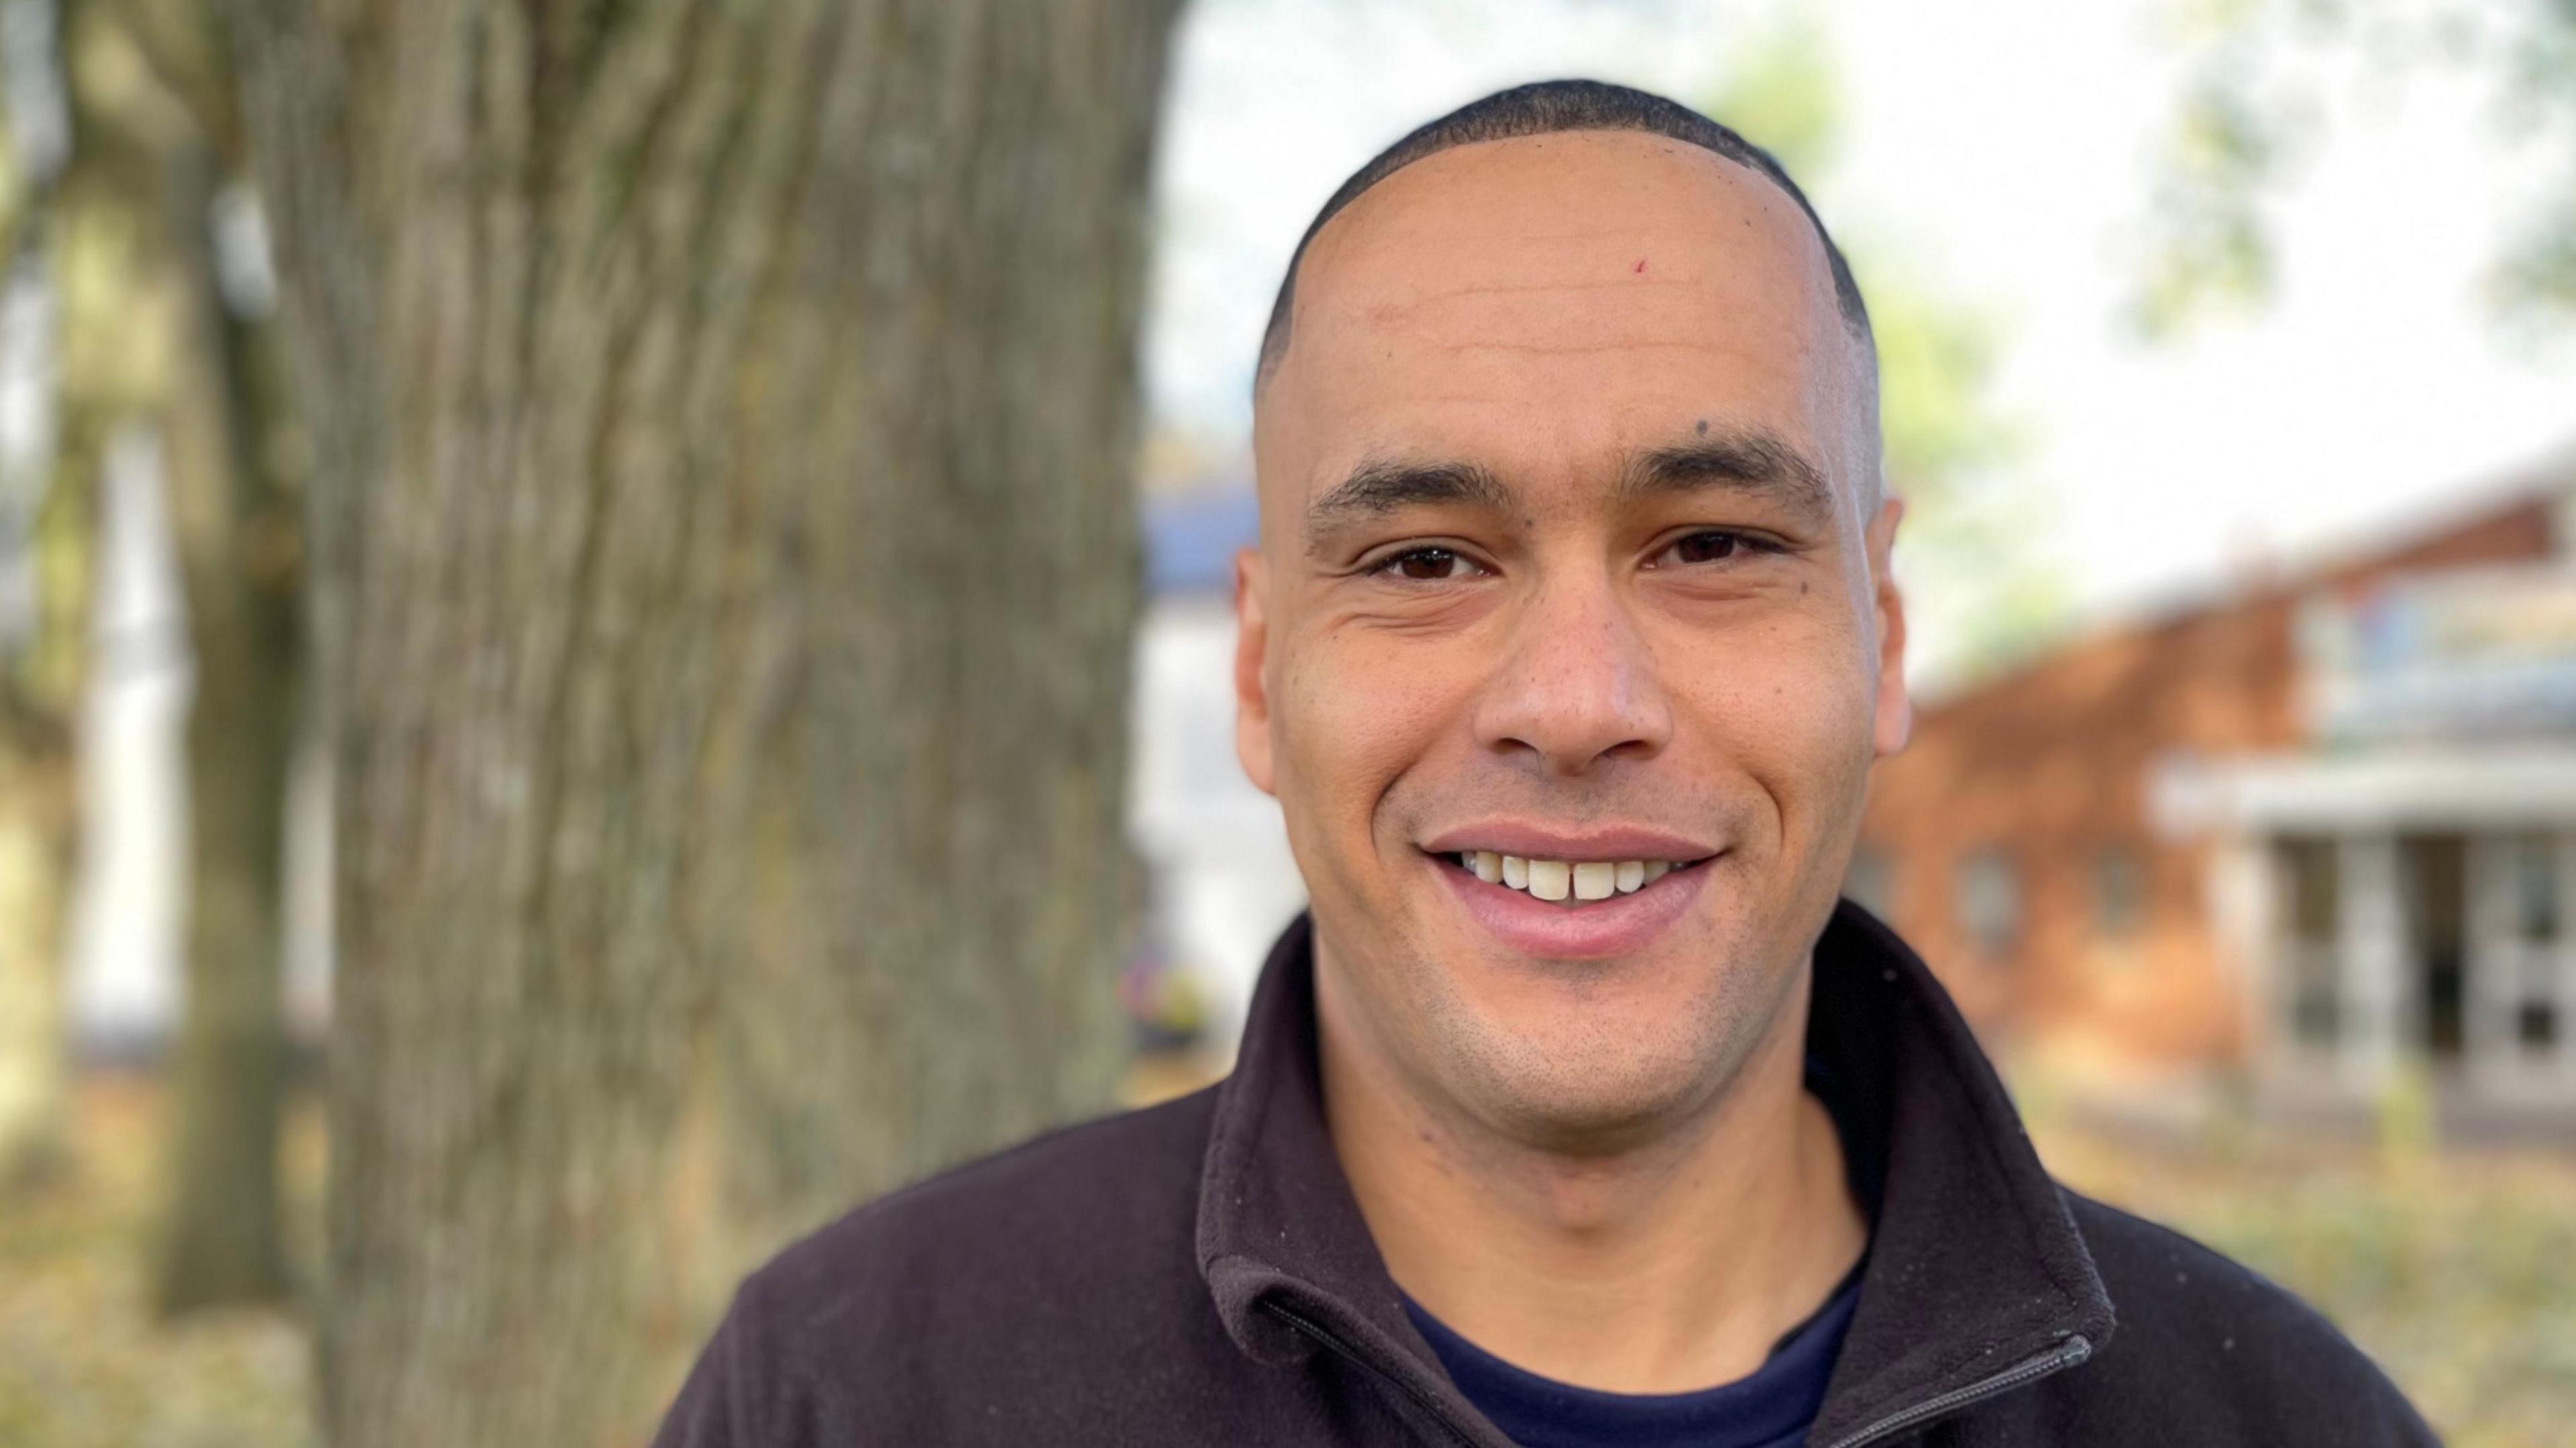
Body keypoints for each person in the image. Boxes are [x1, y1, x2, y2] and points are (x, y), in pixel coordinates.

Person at [652, 80, 2436, 1447]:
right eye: (1427, 561)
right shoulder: (865, 1389)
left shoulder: (2270, 1420)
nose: (1577, 701)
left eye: (1715, 544)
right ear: (1262, 672)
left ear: (1881, 637)